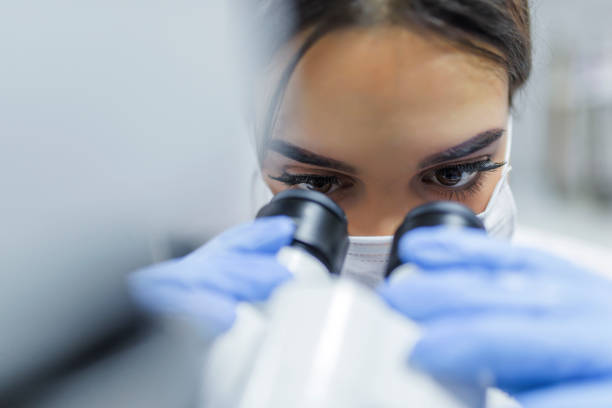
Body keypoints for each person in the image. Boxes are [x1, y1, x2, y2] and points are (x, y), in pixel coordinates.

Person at [130, 1, 612, 406]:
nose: (392, 236)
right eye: (316, 183)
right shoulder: (177, 342)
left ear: (510, 118)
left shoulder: (591, 334)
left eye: (453, 173)